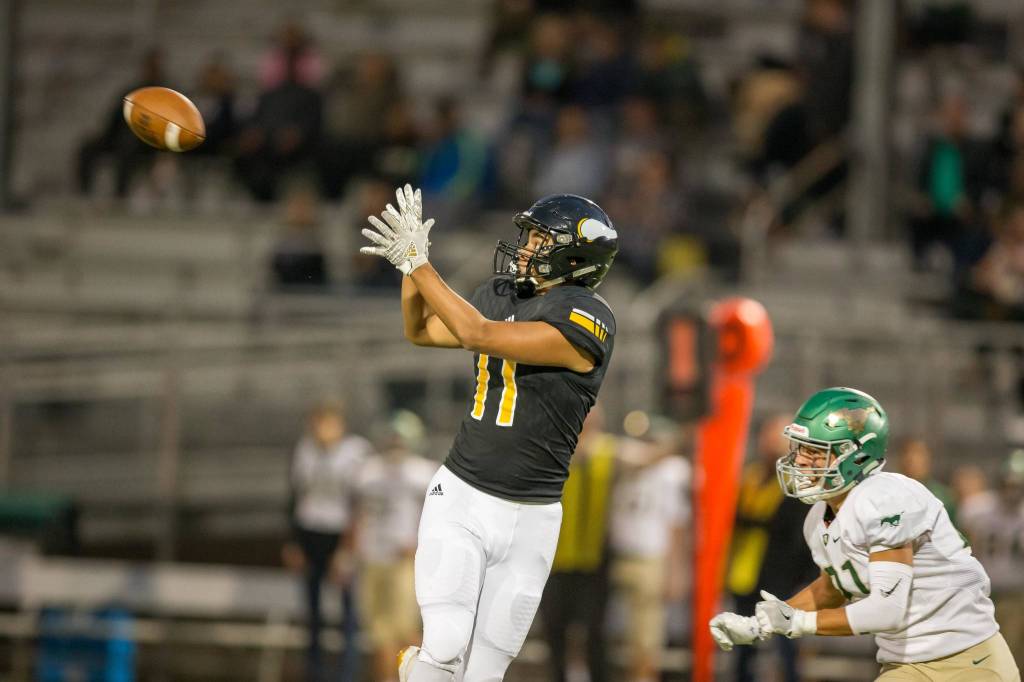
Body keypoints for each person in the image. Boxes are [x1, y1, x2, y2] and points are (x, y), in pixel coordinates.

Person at [359, 185, 618, 681]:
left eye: (541, 241)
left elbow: (480, 335)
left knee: (485, 673)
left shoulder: (589, 317)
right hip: (462, 496)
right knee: (447, 644)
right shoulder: (499, 295)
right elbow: (420, 330)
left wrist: (420, 265)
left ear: (575, 257)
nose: (525, 248)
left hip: (533, 517)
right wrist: (411, 269)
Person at [710, 387, 1020, 681]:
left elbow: (887, 611)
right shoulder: (819, 517)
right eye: (800, 448)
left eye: (817, 452)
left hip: (965, 662)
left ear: (856, 456)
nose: (801, 461)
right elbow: (831, 589)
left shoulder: (886, 498)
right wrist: (759, 625)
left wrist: (799, 623)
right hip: (909, 662)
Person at [725, 414, 817, 682]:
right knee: (743, 648)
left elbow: (797, 531)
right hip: (748, 573)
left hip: (783, 581)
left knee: (785, 649)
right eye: (767, 437)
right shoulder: (751, 476)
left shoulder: (798, 482)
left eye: (777, 438)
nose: (770, 444)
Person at [283, 401, 369, 682]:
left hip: (340, 534)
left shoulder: (354, 453)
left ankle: (347, 673)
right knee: (313, 612)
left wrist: (348, 548)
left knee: (347, 611)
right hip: (310, 533)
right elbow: (295, 496)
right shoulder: (304, 451)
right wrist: (293, 542)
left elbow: (360, 503)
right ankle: (315, 673)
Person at [353, 410, 438, 682]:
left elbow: (439, 516)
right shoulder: (369, 471)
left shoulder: (424, 472)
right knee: (379, 634)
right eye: (393, 437)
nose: (395, 443)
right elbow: (357, 513)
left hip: (405, 560)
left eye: (401, 438)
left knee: (406, 630)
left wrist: (423, 546)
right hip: (373, 558)